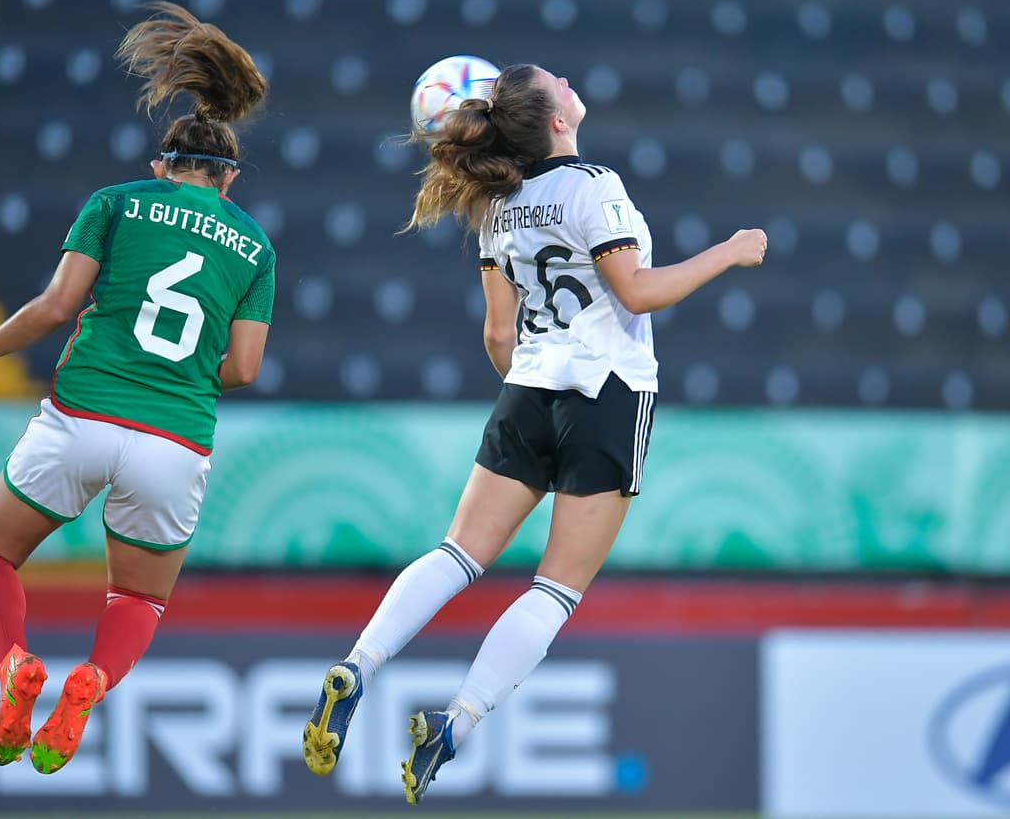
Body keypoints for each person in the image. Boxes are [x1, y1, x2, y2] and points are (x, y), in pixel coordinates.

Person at [302, 62, 766, 804]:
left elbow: (495, 332)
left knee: (457, 553)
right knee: (555, 587)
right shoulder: (593, 185)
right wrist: (730, 251)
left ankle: (358, 663)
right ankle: (455, 722)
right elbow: (638, 290)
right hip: (607, 393)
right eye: (560, 80)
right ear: (555, 118)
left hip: (527, 386)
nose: (572, 80)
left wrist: (532, 392)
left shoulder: (496, 204)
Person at [0, 1, 274, 774]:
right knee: (137, 599)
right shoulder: (254, 244)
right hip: (175, 438)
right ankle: (92, 677)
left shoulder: (115, 202)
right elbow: (245, 366)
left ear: (162, 165)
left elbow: (55, 307)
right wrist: (182, 375)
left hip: (81, 415)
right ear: (229, 179)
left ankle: (14, 664)